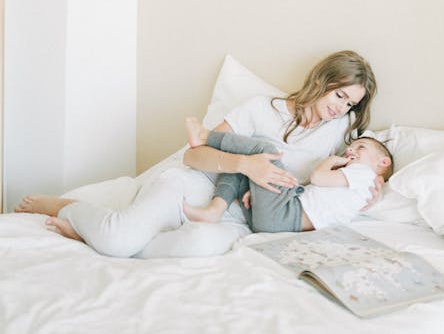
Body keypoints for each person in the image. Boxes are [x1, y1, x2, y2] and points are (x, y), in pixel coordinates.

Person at [14, 50, 382, 257]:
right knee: (119, 240)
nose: (340, 108)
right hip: (195, 183)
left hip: (238, 214)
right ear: (322, 81)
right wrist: (244, 165)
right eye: (339, 95)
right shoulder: (259, 108)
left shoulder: (339, 132)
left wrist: (369, 193)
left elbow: (355, 171)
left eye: (350, 104)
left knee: (190, 251)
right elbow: (194, 156)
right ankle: (66, 208)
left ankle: (91, 236)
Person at [183, 117, 393, 232]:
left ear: (383, 163)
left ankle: (206, 135)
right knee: (245, 167)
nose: (350, 151)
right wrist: (259, 192)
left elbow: (318, 177)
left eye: (360, 148)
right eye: (351, 148)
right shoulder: (358, 186)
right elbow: (313, 195)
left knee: (264, 152)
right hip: (277, 221)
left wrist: (332, 160)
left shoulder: (364, 175)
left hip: (285, 215)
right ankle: (213, 211)